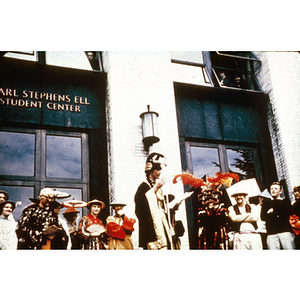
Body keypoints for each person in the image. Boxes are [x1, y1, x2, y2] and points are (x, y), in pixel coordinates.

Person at [134, 152, 175, 250]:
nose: (160, 172)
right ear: (150, 170)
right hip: (152, 230)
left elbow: (162, 208)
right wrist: (155, 189)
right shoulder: (143, 187)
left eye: (160, 169)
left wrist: (175, 205)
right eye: (157, 169)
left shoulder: (157, 188)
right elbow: (140, 210)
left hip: (162, 225)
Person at [261, 181, 295, 250]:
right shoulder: (266, 203)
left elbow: (286, 214)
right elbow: (263, 217)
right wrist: (275, 213)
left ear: (280, 191)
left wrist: (272, 212)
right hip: (271, 233)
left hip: (285, 231)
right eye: (271, 189)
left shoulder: (285, 202)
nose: (273, 190)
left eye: (276, 189)